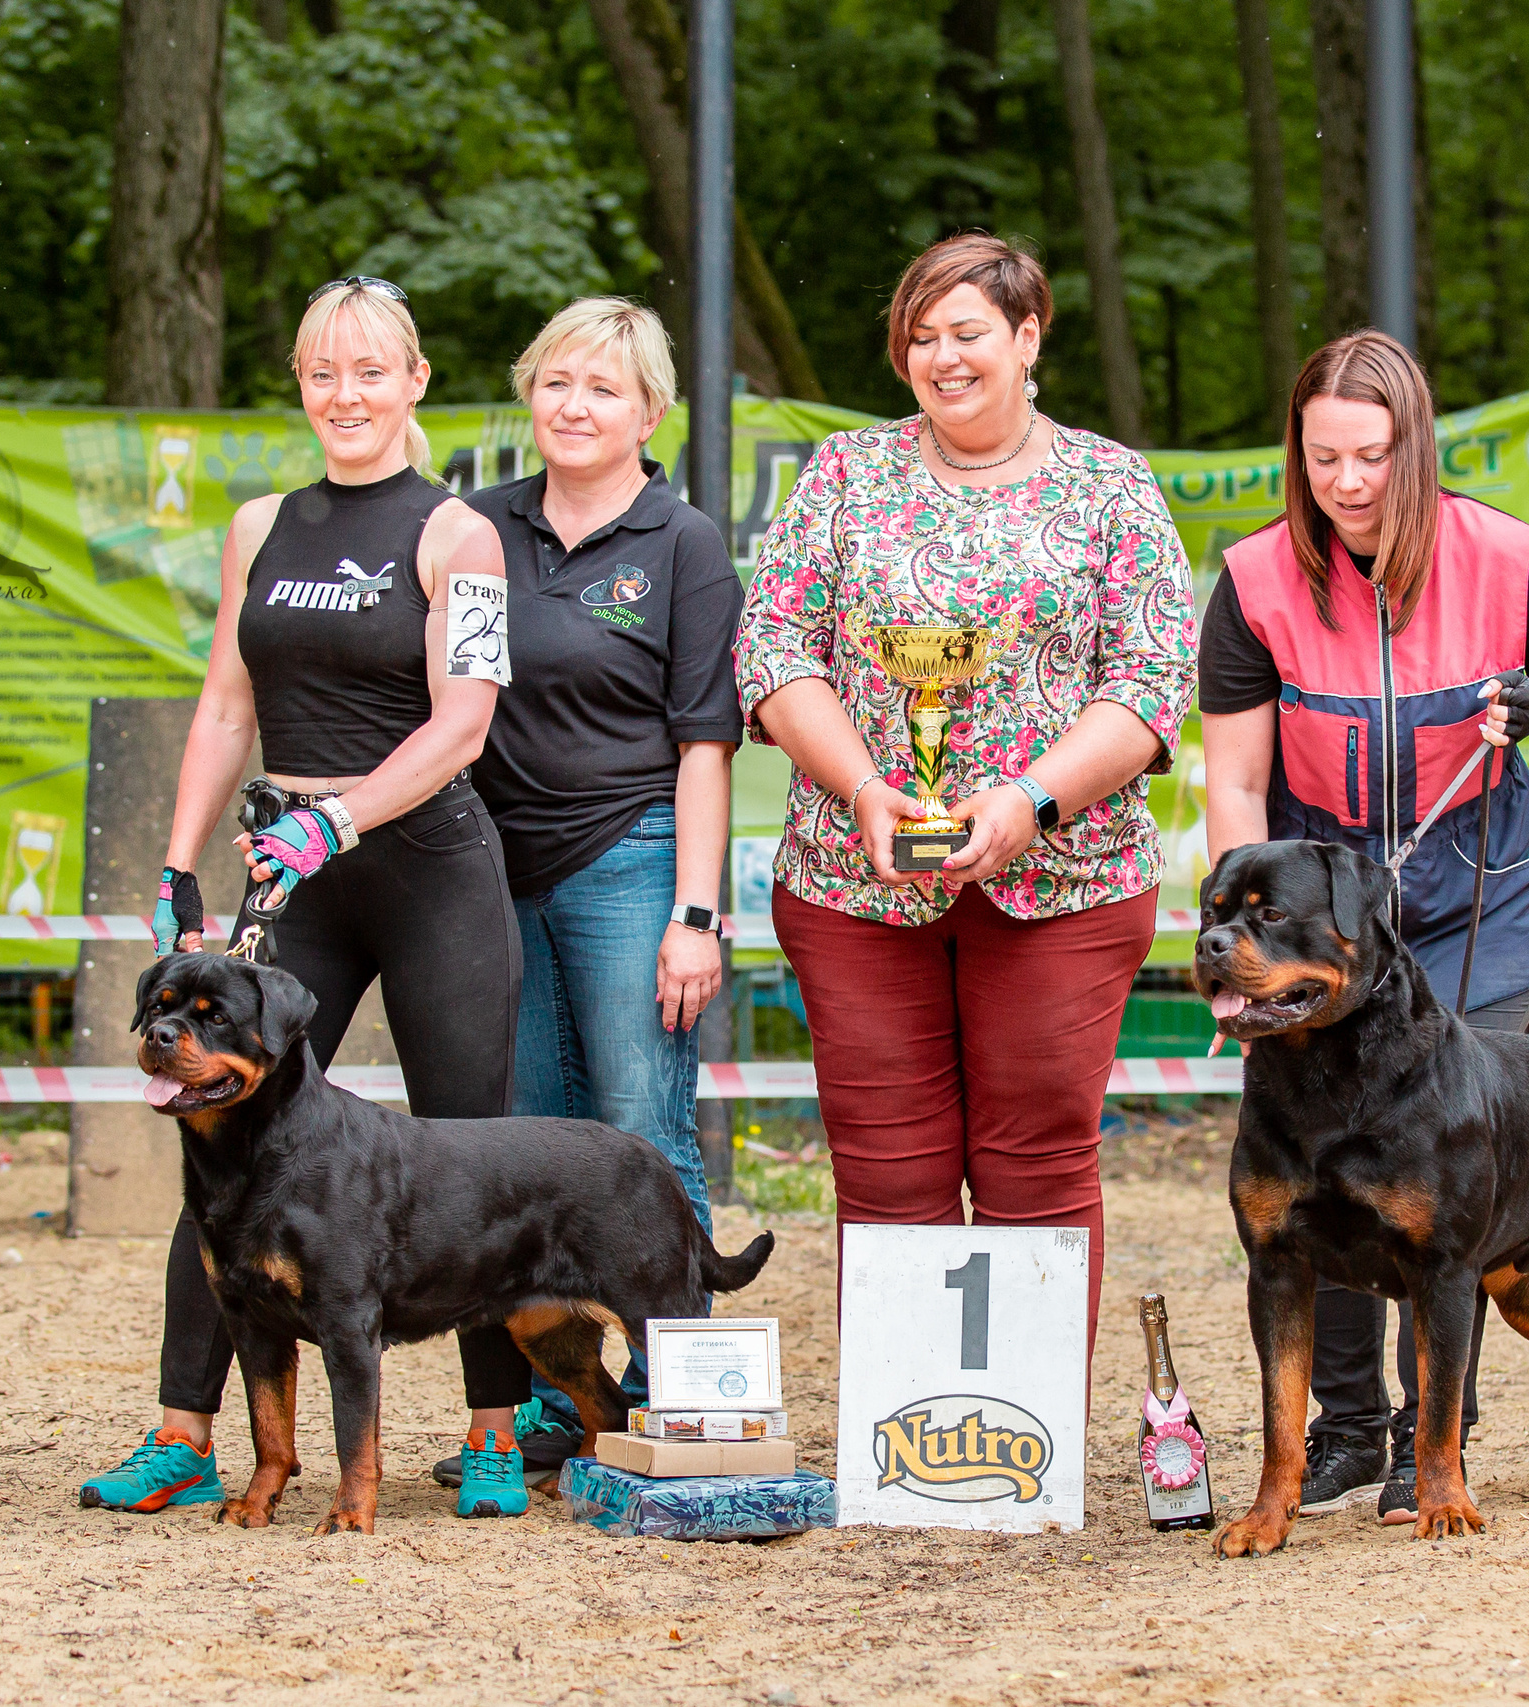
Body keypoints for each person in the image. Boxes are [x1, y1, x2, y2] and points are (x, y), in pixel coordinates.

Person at [78, 277, 536, 1521]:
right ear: (301, 384)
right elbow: (228, 703)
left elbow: (465, 724)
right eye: (322, 373)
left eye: (370, 371)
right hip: (289, 876)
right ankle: (183, 1432)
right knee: (216, 1138)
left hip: (427, 862)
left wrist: (343, 815)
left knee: (466, 1148)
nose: (346, 394)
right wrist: (178, 865)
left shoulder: (460, 535)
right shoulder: (258, 525)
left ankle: (494, 1434)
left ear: (415, 382)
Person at [1197, 328, 1529, 1527]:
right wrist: (1243, 897)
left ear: (1413, 447)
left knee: (1430, 1159)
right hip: (1322, 911)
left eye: (1372, 456)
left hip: (1474, 891)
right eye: (1323, 455)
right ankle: (1337, 1435)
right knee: (1314, 1159)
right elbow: (1233, 778)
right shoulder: (1253, 578)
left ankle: (1429, 1449)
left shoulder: (1505, 549)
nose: (1345, 482)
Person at [735, 233, 1195, 1348]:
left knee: (1037, 1160)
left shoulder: (1109, 484)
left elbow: (1151, 681)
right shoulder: (842, 473)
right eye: (920, 337)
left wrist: (1030, 801)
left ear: (1027, 336)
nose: (942, 357)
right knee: (888, 1170)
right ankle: (910, 1437)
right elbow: (770, 646)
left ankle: (1024, 1443)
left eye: (967, 333)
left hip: (1066, 884)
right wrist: (859, 788)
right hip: (857, 884)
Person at [427, 296, 743, 1487]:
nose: (575, 406)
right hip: (485, 872)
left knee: (640, 1135)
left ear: (649, 412)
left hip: (633, 859)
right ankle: (570, 1401)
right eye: (557, 382)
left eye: (604, 389)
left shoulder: (683, 541)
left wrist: (694, 913)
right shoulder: (472, 530)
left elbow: (705, 742)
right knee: (524, 1154)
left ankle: (684, 1396)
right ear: (528, 395)